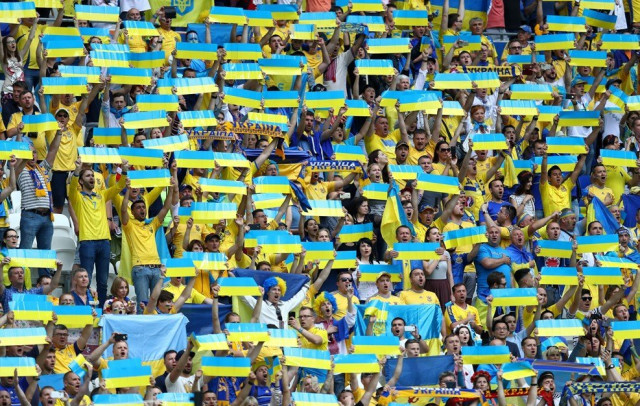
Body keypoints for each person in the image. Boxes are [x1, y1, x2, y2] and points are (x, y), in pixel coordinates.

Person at [69, 158, 128, 306]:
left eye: (93, 176)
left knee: (102, 281)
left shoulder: (102, 195)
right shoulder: (77, 197)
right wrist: (77, 170)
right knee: (86, 280)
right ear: (81, 181)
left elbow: (119, 186)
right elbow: (72, 188)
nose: (92, 178)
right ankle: (86, 309)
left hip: (104, 242)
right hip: (87, 241)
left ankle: (102, 309)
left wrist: (124, 170)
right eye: (88, 176)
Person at [121, 177, 176, 313]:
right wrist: (127, 191)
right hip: (140, 268)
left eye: (143, 207)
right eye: (138, 207)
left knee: (159, 304)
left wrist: (171, 188)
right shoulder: (129, 226)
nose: (142, 209)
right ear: (132, 212)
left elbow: (166, 207)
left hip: (156, 269)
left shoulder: (152, 224)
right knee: (143, 304)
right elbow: (123, 211)